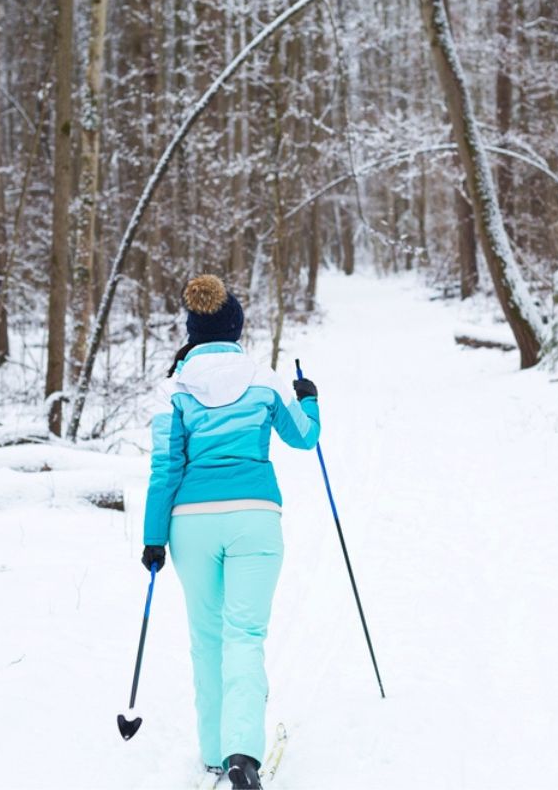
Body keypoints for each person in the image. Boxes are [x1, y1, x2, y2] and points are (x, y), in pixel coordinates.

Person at [141, 274, 320, 790]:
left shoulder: (173, 389)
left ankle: (216, 753)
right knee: (246, 635)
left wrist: (154, 538)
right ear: (236, 327)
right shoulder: (262, 379)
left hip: (190, 526)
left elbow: (164, 469)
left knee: (207, 638)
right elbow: (304, 438)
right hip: (254, 519)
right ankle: (244, 752)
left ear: (193, 330)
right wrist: (308, 399)